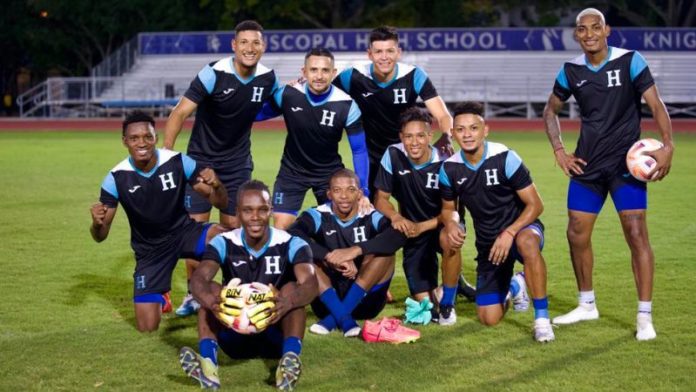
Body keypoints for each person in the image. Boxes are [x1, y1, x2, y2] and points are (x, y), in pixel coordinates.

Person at [543, 8, 674, 341]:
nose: (589, 34)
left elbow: (656, 105)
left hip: (625, 168)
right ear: (577, 35)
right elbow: (550, 110)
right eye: (582, 29)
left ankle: (644, 316)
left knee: (635, 233)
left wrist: (668, 146)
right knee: (576, 232)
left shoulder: (630, 61)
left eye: (595, 27)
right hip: (587, 166)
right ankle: (586, 304)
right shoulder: (571, 70)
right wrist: (559, 150)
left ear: (607, 30)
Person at [163, 20, 280, 317]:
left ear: (263, 47)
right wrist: (167, 153)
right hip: (202, 162)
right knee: (197, 230)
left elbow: (275, 105)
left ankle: (235, 290)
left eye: (256, 43)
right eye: (244, 42)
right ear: (234, 45)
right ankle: (193, 293)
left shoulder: (268, 78)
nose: (250, 48)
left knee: (233, 229)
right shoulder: (213, 73)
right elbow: (180, 112)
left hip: (238, 163)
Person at [89, 111, 227, 332]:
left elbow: (220, 202)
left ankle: (240, 296)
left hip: (184, 234)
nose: (141, 143)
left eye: (147, 137)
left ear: (156, 138)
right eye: (134, 138)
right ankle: (162, 297)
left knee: (225, 237)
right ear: (125, 141)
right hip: (150, 252)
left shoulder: (178, 161)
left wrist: (217, 185)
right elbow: (100, 236)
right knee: (147, 327)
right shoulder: (116, 178)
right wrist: (96, 224)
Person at [179, 180, 318, 391]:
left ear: (271, 210)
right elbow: (199, 279)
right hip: (235, 331)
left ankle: (288, 363)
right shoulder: (224, 242)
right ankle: (208, 366)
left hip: (275, 332)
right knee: (212, 291)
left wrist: (286, 303)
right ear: (238, 212)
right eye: (247, 210)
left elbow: (311, 284)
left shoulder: (292, 243)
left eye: (262, 210)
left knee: (292, 289)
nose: (255, 217)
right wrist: (212, 303)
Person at [439, 102, 554, 342]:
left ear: (485, 130)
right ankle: (516, 286)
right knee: (488, 318)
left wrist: (510, 232)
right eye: (460, 129)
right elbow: (449, 208)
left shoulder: (505, 157)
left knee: (527, 243)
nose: (467, 134)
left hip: (521, 229)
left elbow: (536, 205)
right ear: (453, 133)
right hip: (489, 244)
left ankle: (542, 319)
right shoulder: (449, 168)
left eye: (473, 128)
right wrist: (451, 223)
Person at [333, 25, 454, 200]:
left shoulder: (413, 75)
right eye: (378, 52)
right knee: (370, 208)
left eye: (389, 51)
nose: (384, 57)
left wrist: (446, 136)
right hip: (370, 154)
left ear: (399, 52)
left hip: (405, 151)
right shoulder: (353, 76)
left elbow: (443, 115)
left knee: (414, 206)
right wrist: (300, 84)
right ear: (370, 54)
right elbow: (325, 92)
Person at [373, 107, 469, 324]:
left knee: (449, 240)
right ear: (401, 137)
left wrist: (421, 227)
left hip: (443, 224)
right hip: (413, 230)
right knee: (425, 302)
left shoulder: (446, 160)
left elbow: (451, 211)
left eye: (420, 136)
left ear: (429, 136)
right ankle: (452, 286)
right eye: (408, 136)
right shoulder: (393, 154)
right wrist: (396, 218)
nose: (414, 142)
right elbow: (380, 199)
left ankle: (448, 304)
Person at [288, 169, 405, 336]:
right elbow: (293, 235)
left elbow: (398, 236)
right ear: (329, 194)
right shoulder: (317, 214)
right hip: (326, 301)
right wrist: (329, 257)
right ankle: (345, 320)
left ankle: (332, 320)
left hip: (367, 302)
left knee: (385, 253)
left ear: (359, 194)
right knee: (307, 257)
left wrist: (356, 250)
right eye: (337, 190)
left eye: (350, 190)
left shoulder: (370, 215)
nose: (344, 196)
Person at [265, 48, 371, 229]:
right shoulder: (288, 94)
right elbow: (258, 113)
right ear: (304, 72)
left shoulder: (347, 105)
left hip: (328, 174)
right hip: (292, 172)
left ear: (333, 73)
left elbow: (359, 150)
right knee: (281, 228)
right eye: (313, 70)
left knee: (339, 228)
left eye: (325, 70)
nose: (319, 76)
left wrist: (364, 191)